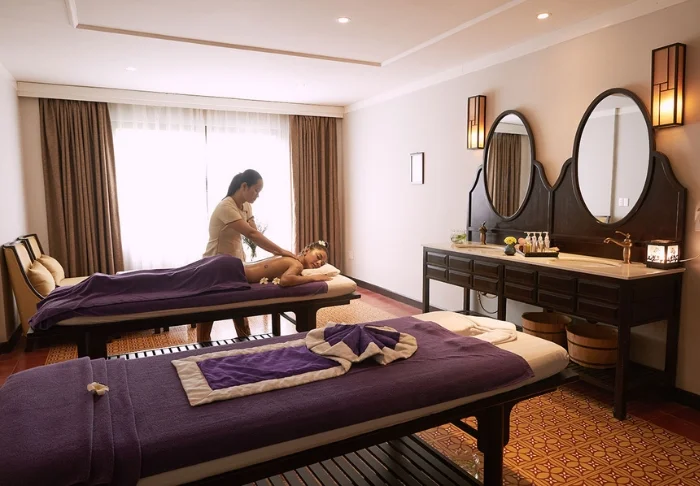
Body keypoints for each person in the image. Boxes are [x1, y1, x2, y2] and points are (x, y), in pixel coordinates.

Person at [198, 169, 296, 341]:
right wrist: (281, 251)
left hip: (235, 262)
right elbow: (251, 234)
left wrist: (273, 257)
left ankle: (245, 342)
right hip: (215, 263)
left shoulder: (246, 206)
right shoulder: (226, 206)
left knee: (239, 306)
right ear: (244, 186)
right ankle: (202, 345)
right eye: (256, 190)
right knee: (209, 310)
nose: (258, 195)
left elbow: (254, 232)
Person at [244, 241, 332, 286]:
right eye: (318, 257)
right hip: (239, 273)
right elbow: (285, 280)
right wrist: (313, 278)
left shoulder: (291, 258)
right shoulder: (297, 265)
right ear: (306, 251)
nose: (319, 263)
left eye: (322, 263)